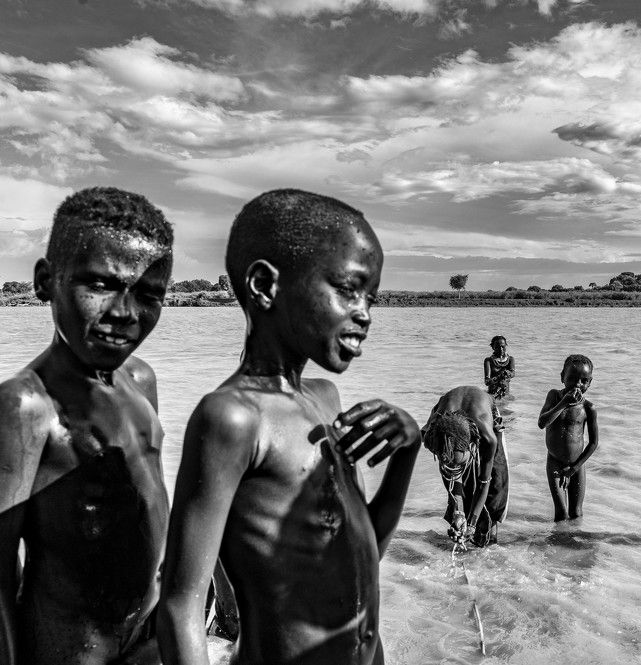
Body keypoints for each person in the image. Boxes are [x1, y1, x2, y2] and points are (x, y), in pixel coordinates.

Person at [157, 189, 421, 665]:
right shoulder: (233, 419)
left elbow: (361, 560)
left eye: (371, 297)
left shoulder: (325, 401)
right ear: (264, 285)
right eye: (347, 289)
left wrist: (408, 452)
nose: (364, 313)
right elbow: (181, 604)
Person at [0, 187, 173, 665]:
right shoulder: (26, 408)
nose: (124, 313)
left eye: (148, 294)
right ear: (44, 281)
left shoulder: (140, 380)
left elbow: (153, 497)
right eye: (99, 285)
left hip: (150, 641)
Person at [422, 386, 509, 547]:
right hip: (445, 410)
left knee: (496, 487)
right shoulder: (432, 436)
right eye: (447, 460)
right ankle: (460, 522)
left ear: (473, 445)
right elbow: (451, 478)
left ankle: (488, 538)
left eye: (461, 463)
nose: (456, 468)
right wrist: (457, 511)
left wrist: (472, 524)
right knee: (460, 490)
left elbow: (484, 484)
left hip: (484, 410)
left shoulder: (488, 439)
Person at [538, 354, 598, 522]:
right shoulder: (554, 396)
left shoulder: (588, 408)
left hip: (577, 465)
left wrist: (574, 468)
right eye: (572, 378)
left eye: (584, 380)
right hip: (555, 461)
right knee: (562, 513)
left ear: (590, 382)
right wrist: (563, 403)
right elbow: (542, 423)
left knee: (576, 513)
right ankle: (556, 545)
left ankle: (574, 544)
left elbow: (594, 443)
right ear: (562, 377)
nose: (578, 384)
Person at [484, 335, 515, 399]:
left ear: (506, 345)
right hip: (492, 396)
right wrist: (499, 377)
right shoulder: (489, 361)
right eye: (497, 347)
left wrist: (508, 373)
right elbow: (487, 382)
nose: (501, 349)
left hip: (505, 396)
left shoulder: (510, 359)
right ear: (493, 347)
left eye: (503, 347)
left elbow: (513, 374)